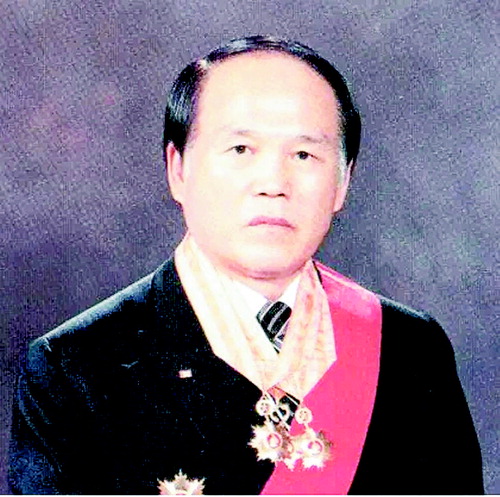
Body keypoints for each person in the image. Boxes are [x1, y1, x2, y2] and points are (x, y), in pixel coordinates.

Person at [9, 35, 483, 495]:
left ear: (343, 182)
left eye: (304, 154)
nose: (273, 183)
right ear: (178, 168)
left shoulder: (410, 348)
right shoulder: (75, 368)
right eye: (240, 150)